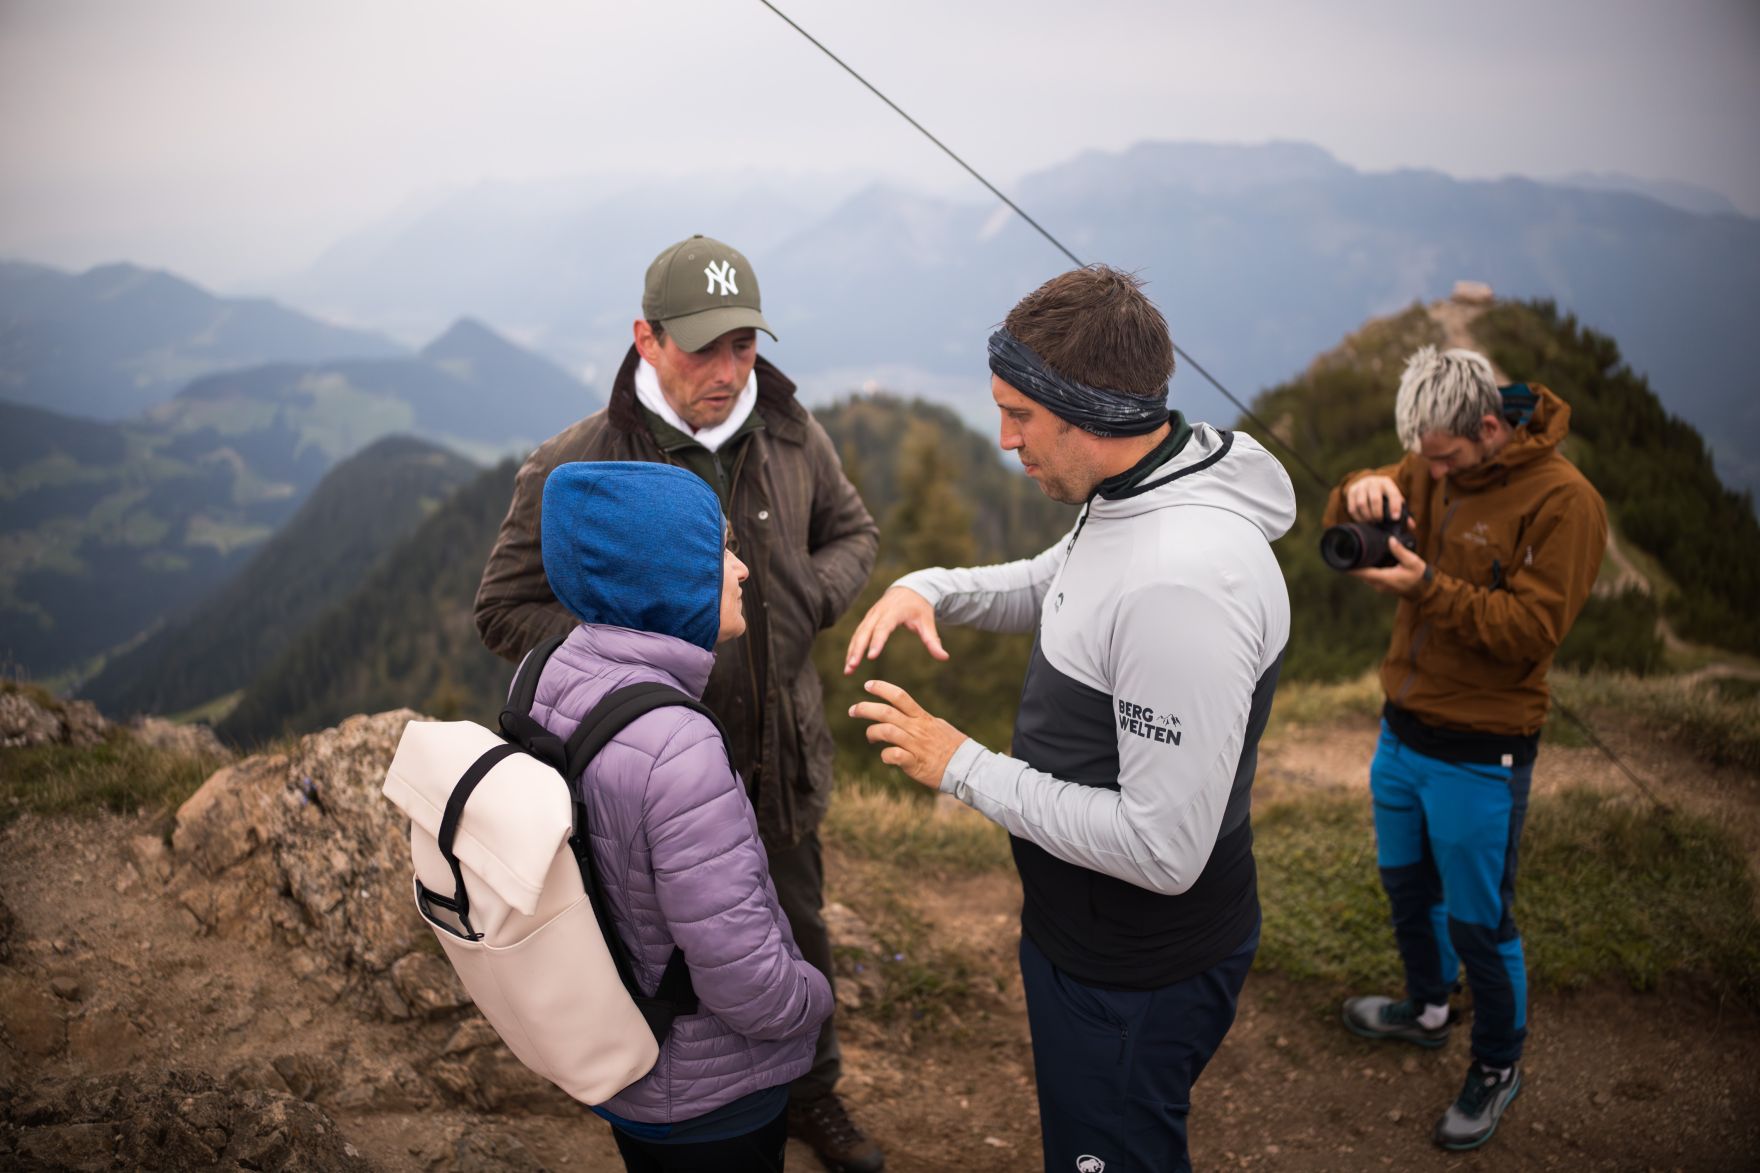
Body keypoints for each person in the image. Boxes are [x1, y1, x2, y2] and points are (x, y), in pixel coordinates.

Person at [845, 266, 1295, 1173]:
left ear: (1090, 412)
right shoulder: (1137, 488)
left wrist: (959, 763)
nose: (1005, 439)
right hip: (1085, 935)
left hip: (1135, 968)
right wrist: (930, 586)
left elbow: (1166, 850)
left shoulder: (1183, 582)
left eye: (1020, 415)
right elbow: (1061, 583)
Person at [475, 235, 883, 1172]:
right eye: (704, 346)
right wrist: (623, 654)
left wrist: (807, 597)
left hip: (775, 763)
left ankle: (807, 1096)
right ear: (645, 339)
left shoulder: (788, 431)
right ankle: (682, 1114)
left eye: (745, 344)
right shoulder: (578, 462)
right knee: (659, 962)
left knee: (794, 925)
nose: (731, 370)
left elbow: (852, 530)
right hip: (642, 782)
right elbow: (502, 608)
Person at [1325, 346, 1607, 1151]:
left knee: (1481, 922)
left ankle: (1496, 1064)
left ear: (1488, 427)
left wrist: (1423, 588)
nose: (1428, 470)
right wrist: (1357, 490)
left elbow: (1528, 635)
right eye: (1419, 457)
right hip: (1402, 730)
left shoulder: (1565, 502)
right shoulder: (1428, 461)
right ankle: (1427, 1008)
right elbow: (1340, 519)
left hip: (1484, 750)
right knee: (1408, 889)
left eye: (1441, 457)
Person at [532, 460, 833, 1171]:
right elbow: (745, 978)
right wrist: (812, 999)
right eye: (719, 551)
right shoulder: (678, 746)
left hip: (628, 1052)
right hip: (713, 1093)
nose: (742, 571)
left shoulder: (551, 673)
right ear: (665, 579)